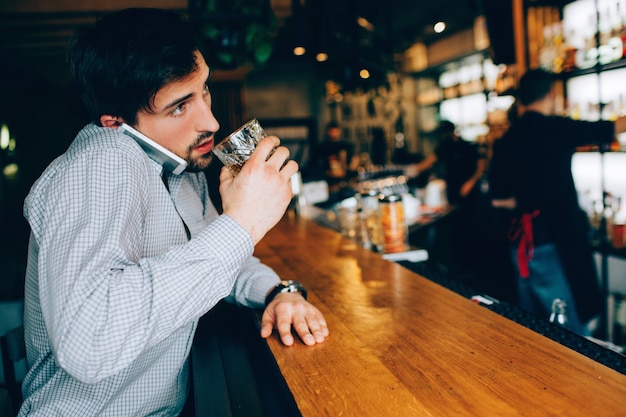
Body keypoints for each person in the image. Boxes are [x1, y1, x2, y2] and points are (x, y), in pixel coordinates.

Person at [18, 8, 328, 416]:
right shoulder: (101, 162)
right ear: (114, 121)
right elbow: (88, 342)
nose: (211, 120)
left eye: (204, 90)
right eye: (179, 107)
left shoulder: (179, 171)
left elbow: (217, 261)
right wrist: (243, 224)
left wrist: (276, 293)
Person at [489, 68, 626, 336]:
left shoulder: (506, 139)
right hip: (552, 244)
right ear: (551, 94)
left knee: (531, 327)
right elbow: (613, 127)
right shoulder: (557, 128)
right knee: (568, 329)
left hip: (520, 246)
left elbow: (496, 200)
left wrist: (522, 204)